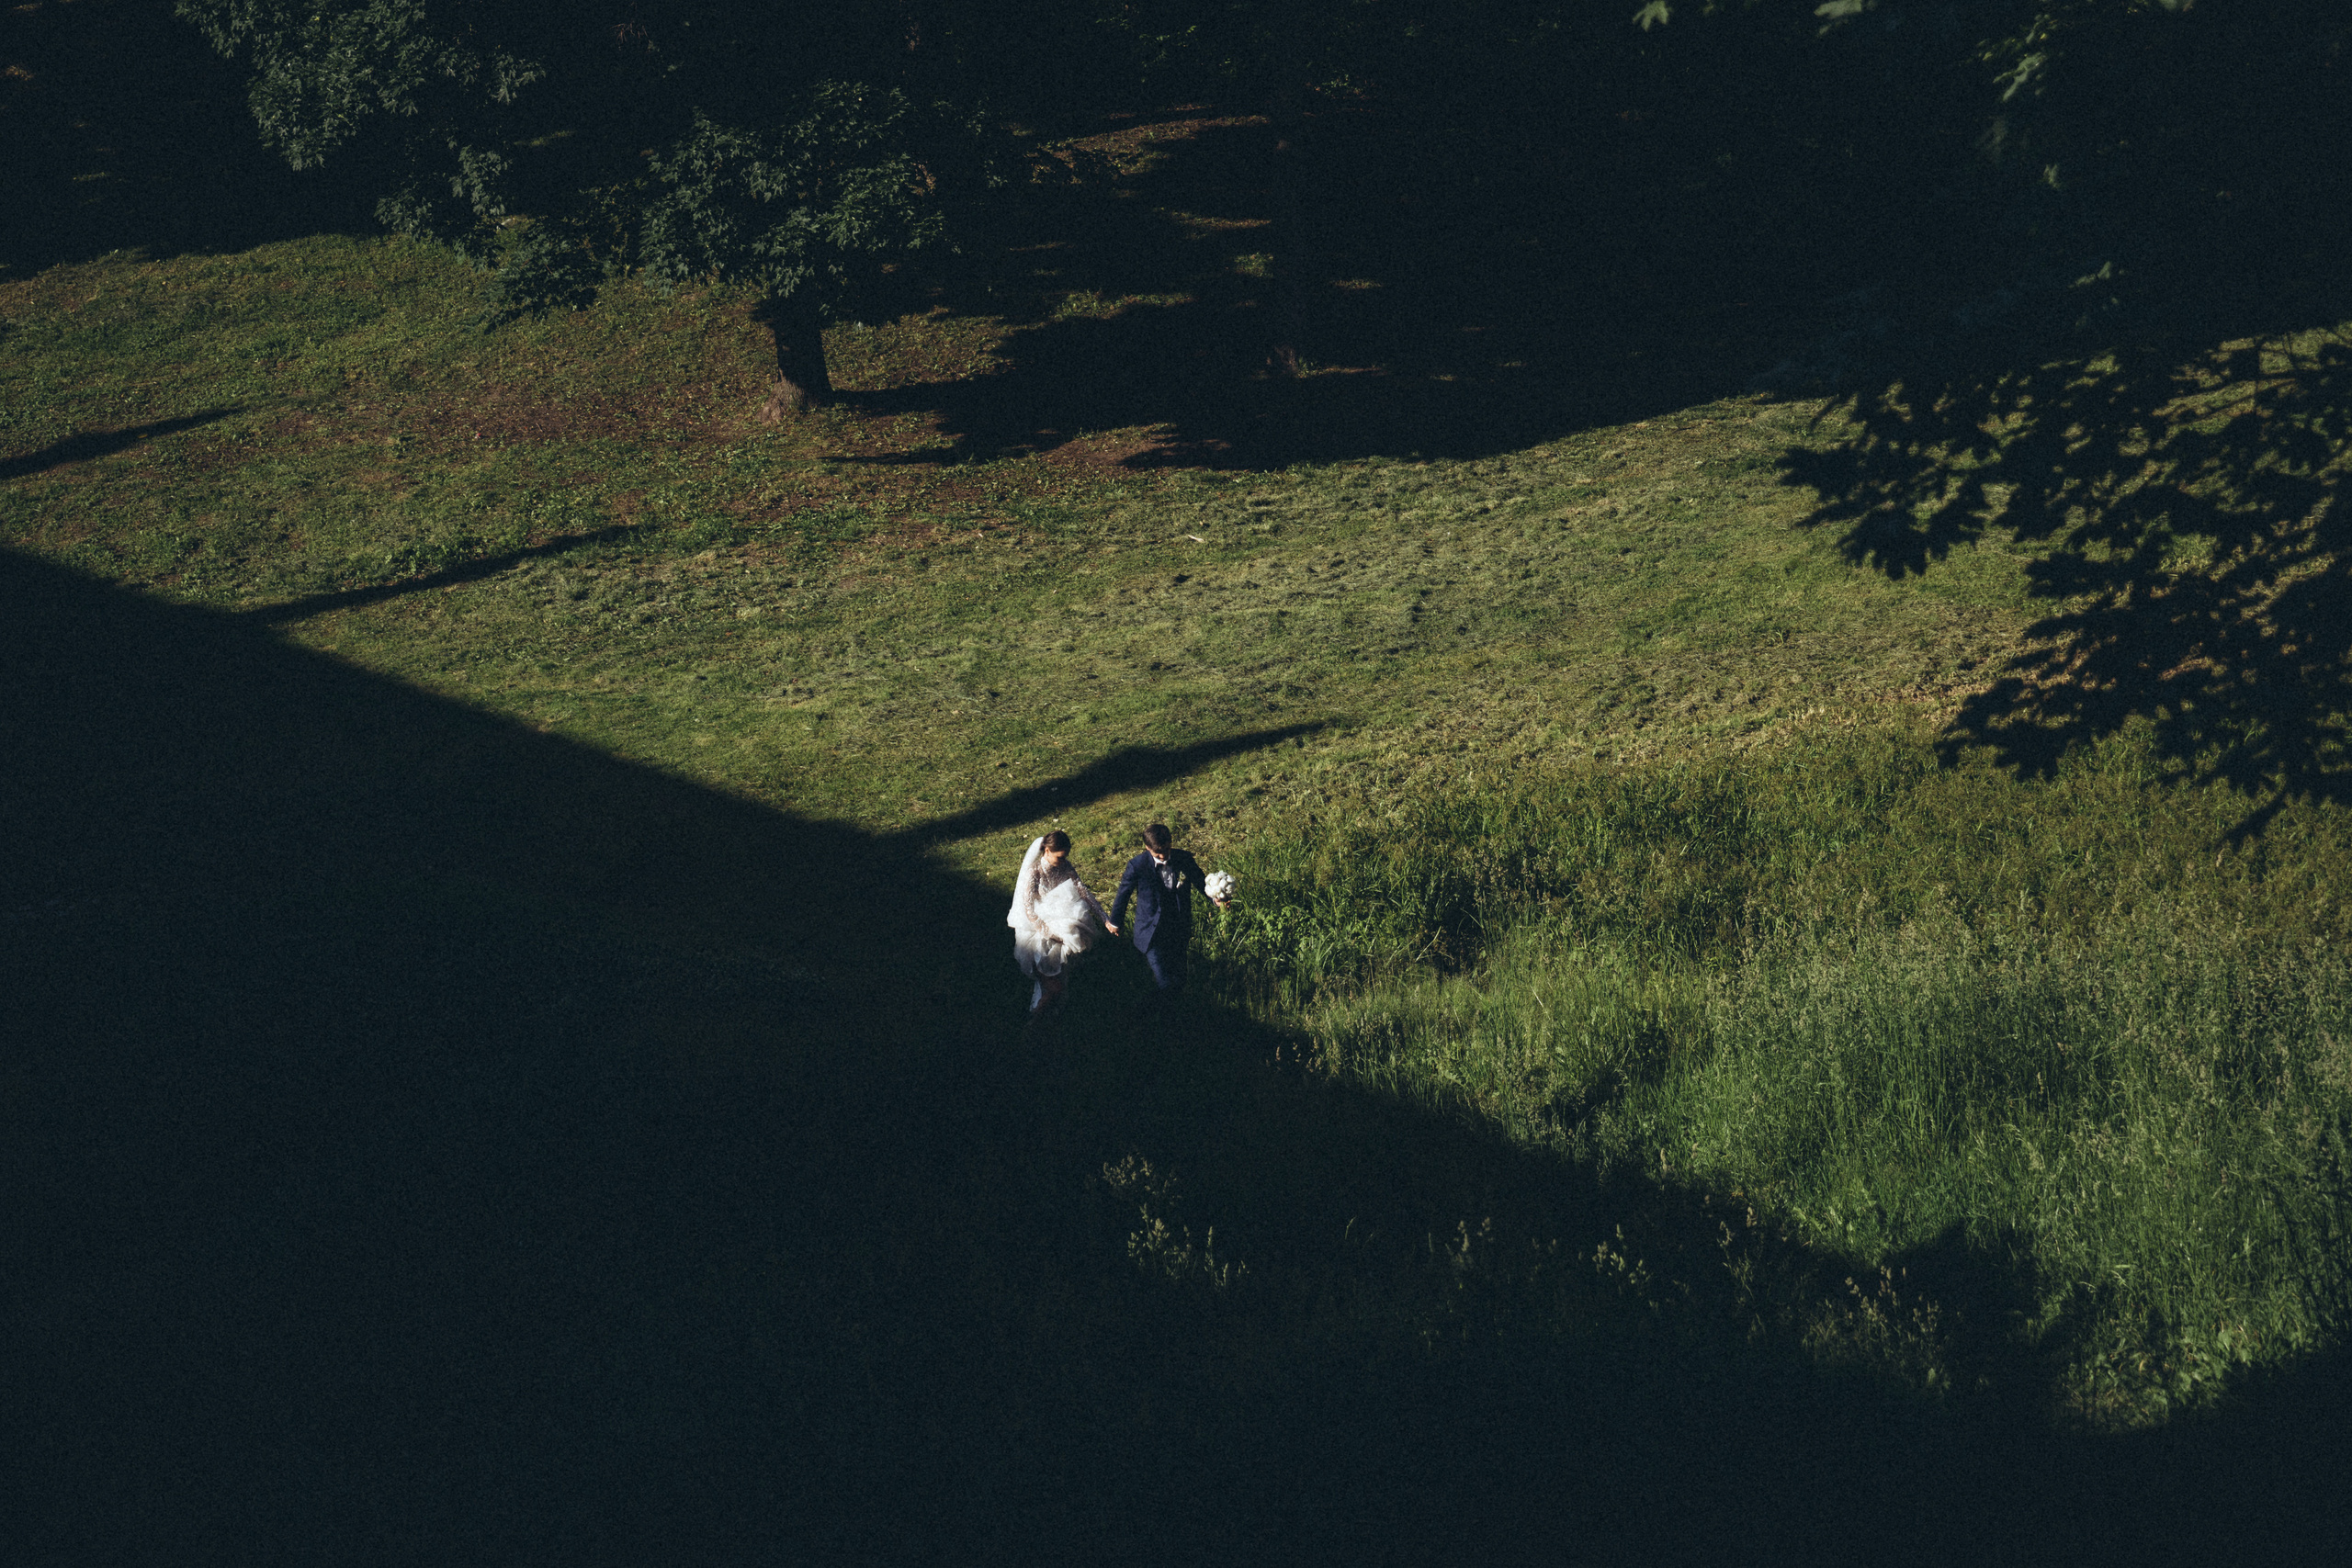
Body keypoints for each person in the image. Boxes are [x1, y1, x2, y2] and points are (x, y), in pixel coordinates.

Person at [1110, 822, 1229, 1001]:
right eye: (1158, 853)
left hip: (1178, 927)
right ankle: (1163, 1014)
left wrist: (1215, 899)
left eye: (1167, 850)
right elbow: (1123, 894)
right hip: (1151, 931)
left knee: (1180, 978)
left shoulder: (1183, 858)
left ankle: (1171, 1011)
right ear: (1147, 848)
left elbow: (1199, 881)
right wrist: (1115, 922)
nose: (1164, 856)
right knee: (1164, 981)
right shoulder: (1137, 866)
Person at [1008, 829, 1114, 1021]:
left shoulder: (1065, 866)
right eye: (1060, 857)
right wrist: (1051, 934)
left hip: (1063, 924)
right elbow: (1029, 909)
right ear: (1047, 851)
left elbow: (1083, 892)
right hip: (1040, 930)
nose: (1063, 860)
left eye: (1065, 856)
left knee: (1061, 976)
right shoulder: (1034, 872)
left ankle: (1051, 1016)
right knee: (1050, 981)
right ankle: (1035, 1019)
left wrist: (1105, 918)